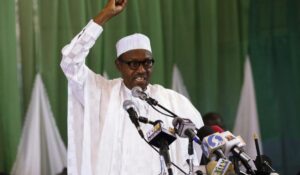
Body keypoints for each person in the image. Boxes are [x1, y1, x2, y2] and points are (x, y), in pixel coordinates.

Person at [60, 0, 203, 174]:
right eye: (133, 64)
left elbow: (196, 143)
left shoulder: (171, 101)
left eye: (147, 63)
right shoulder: (100, 93)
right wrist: (104, 15)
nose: (142, 70)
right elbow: (70, 61)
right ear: (118, 65)